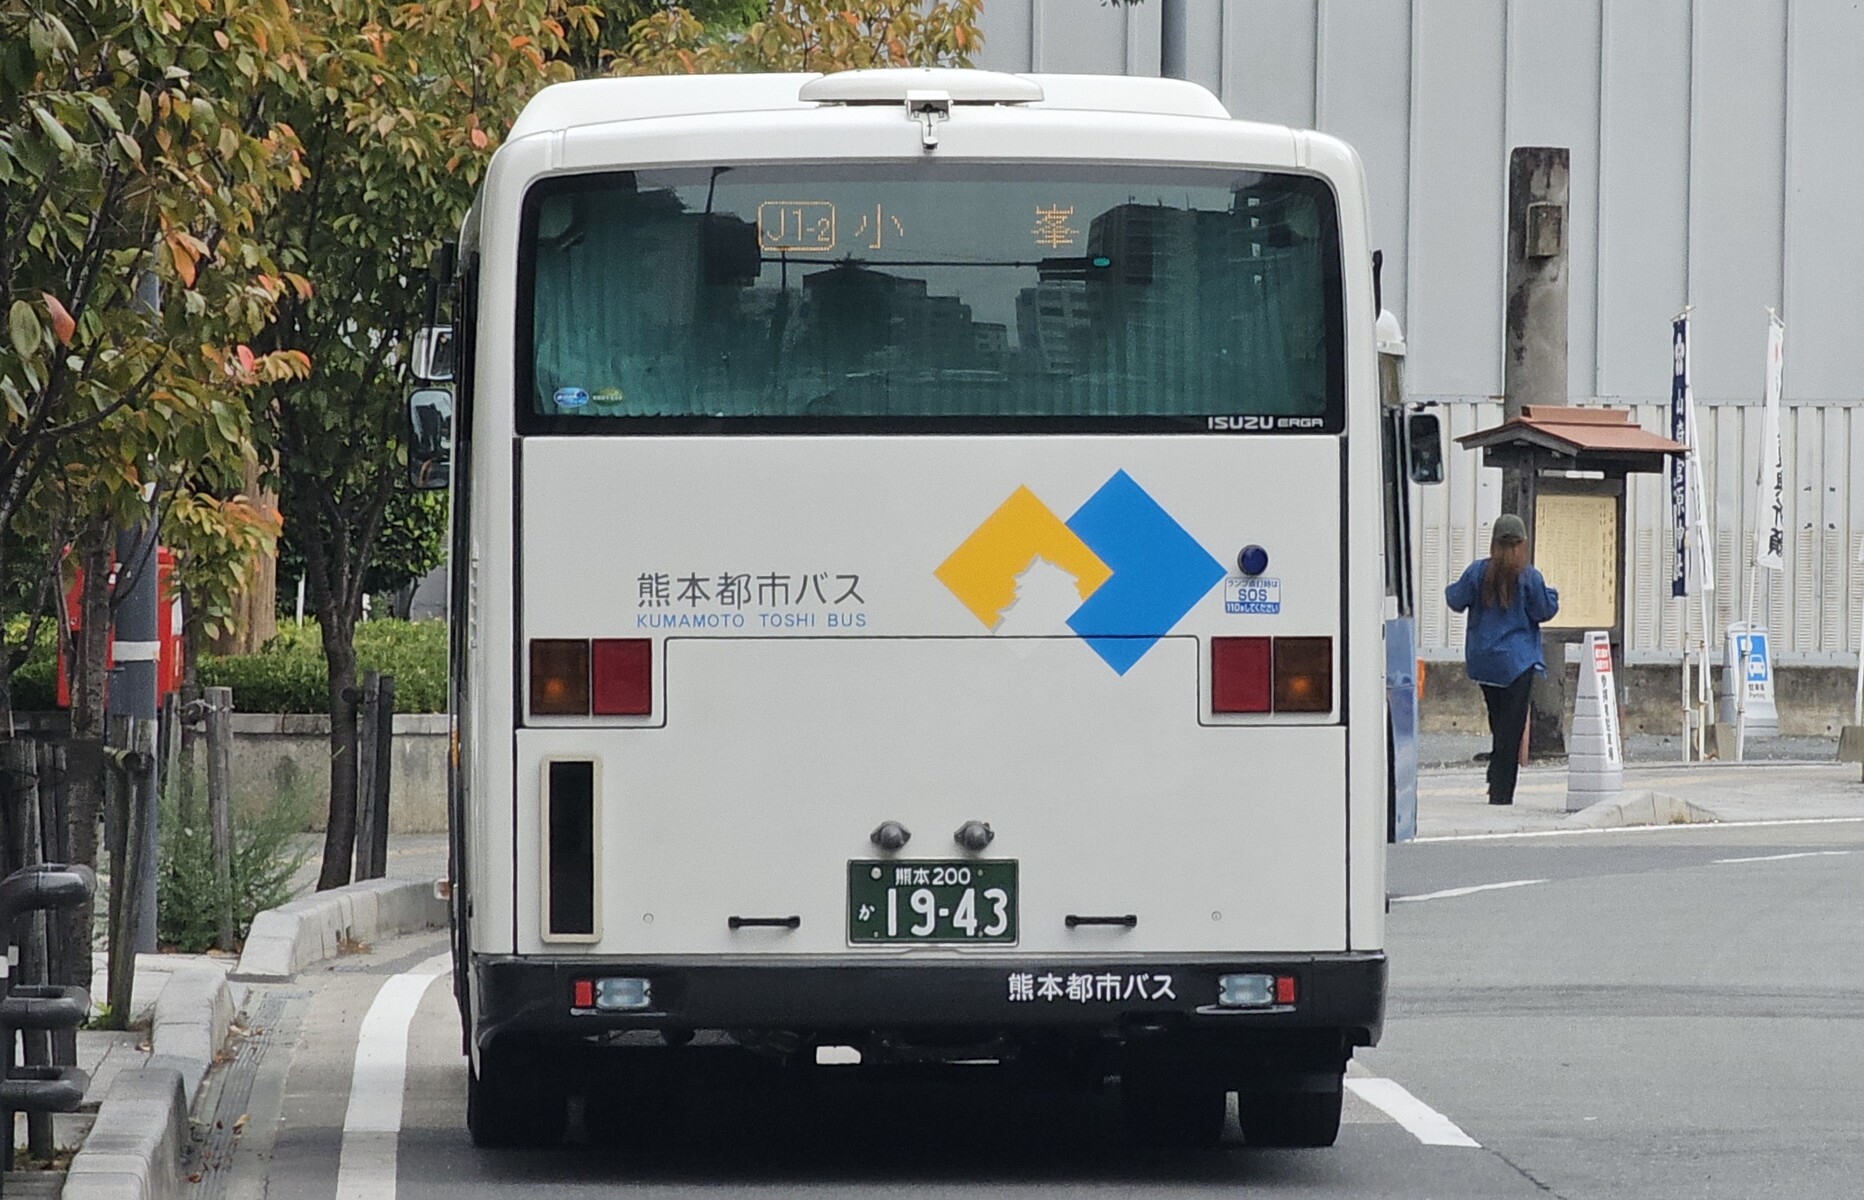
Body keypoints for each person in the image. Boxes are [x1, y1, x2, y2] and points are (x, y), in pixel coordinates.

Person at [1444, 513, 1559, 805]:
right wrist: (1552, 595)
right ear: (1522, 544)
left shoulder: (1478, 572)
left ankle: (1496, 774)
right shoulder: (1529, 577)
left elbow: (1455, 599)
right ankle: (1501, 791)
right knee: (1511, 728)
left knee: (1499, 720)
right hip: (1518, 662)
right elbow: (1543, 611)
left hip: (1485, 661)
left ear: (1494, 542)